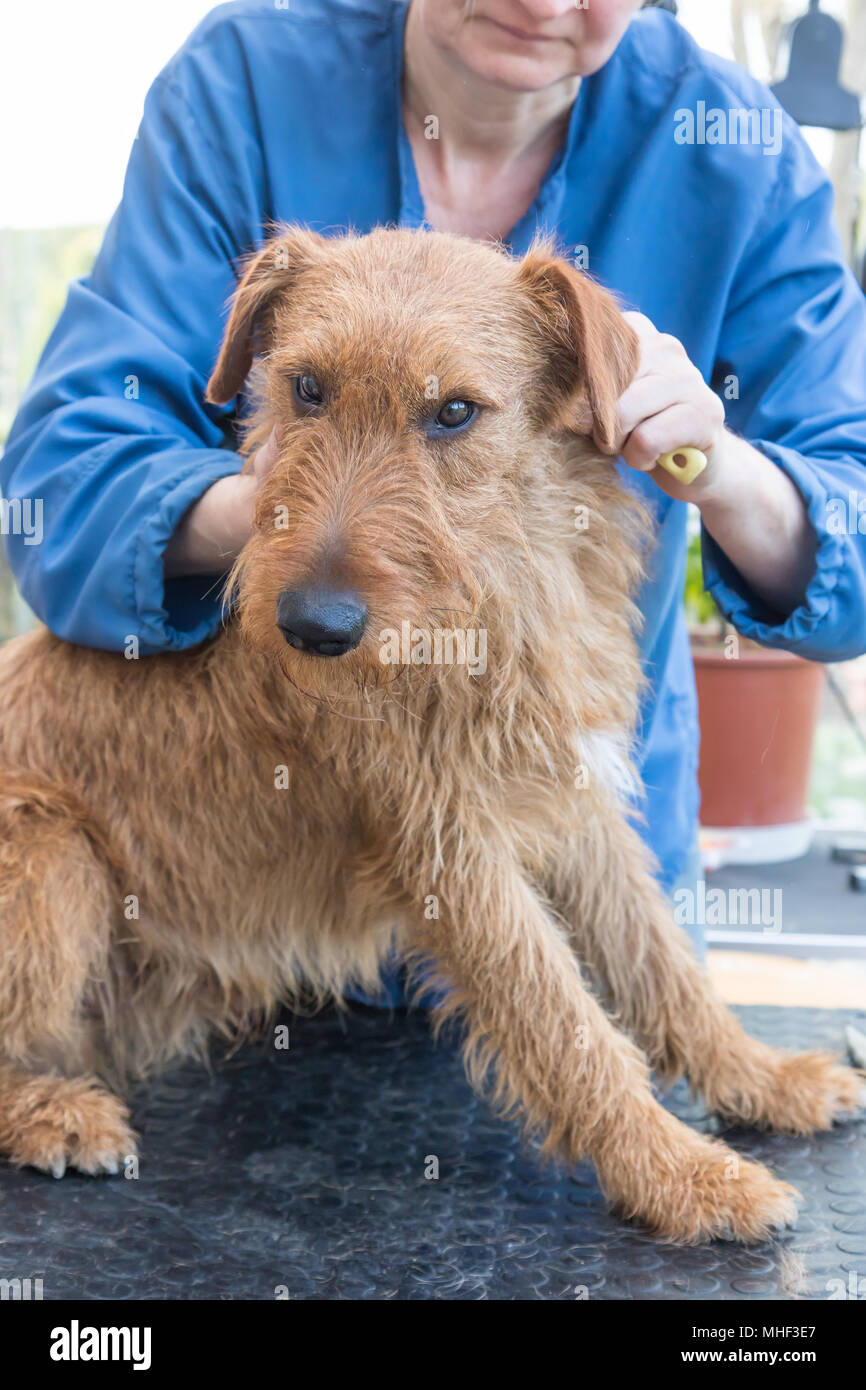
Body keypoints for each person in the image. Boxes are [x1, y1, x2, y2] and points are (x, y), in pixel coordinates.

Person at [3, 0, 866, 984]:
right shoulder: (243, 85)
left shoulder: (732, 150)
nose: (543, 3)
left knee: (632, 1088)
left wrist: (722, 466)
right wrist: (293, 514)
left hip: (579, 893)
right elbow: (61, 481)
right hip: (261, 910)